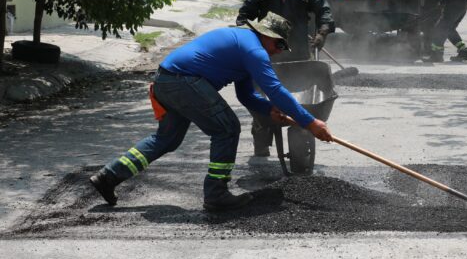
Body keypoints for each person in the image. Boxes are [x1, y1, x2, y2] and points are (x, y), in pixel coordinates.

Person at [88, 12, 333, 212]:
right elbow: (277, 90)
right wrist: (310, 122)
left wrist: (269, 110)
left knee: (167, 139)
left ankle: (108, 177)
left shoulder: (243, 43)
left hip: (167, 79)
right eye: (279, 44)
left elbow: (245, 95)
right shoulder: (254, 50)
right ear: (266, 35)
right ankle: (216, 193)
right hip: (184, 81)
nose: (278, 50)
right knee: (227, 128)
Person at [237, 0, 335, 156]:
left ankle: (302, 127)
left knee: (300, 98)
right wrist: (249, 38)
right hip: (268, 54)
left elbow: (323, 11)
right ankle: (261, 134)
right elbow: (244, 15)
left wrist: (322, 33)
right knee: (263, 101)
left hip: (299, 52)